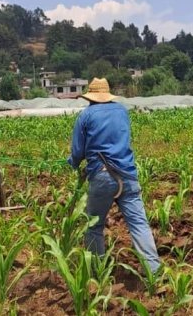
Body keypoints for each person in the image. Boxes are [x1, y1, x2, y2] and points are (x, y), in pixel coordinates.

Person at [69, 78, 161, 272]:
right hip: (128, 175)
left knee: (94, 225)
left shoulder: (85, 116)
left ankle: (97, 271)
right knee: (139, 224)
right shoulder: (122, 111)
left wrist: (72, 162)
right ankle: (153, 272)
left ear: (90, 97)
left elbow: (78, 152)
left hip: (102, 176)